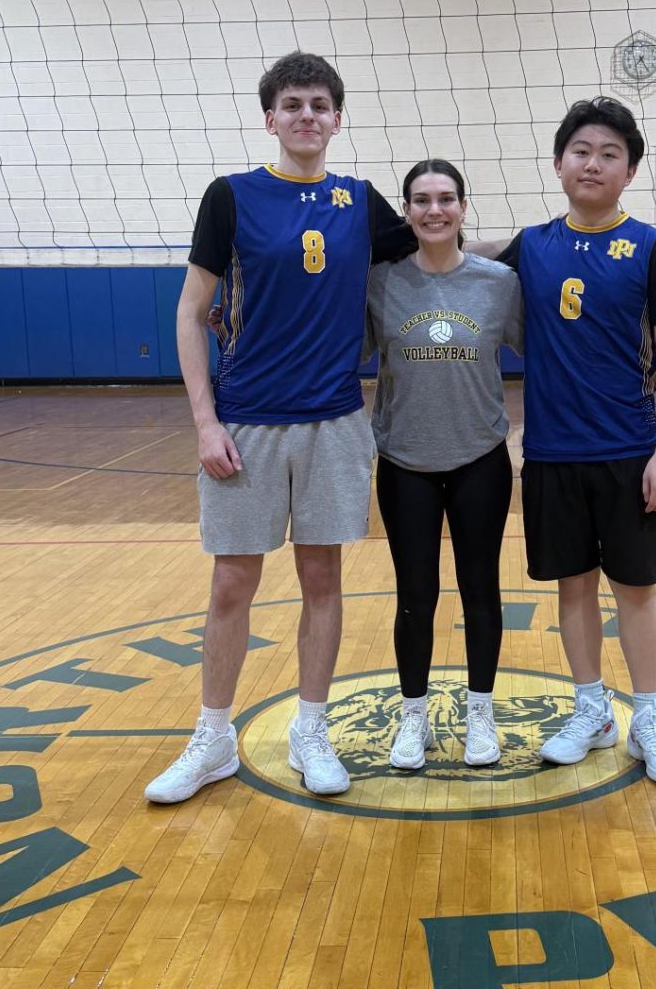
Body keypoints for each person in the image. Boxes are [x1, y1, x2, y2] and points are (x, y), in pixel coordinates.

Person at [145, 51, 414, 804]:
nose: (305, 115)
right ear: (270, 117)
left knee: (321, 577)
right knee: (232, 582)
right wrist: (205, 423)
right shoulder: (230, 197)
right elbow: (190, 313)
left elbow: (439, 250)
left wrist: (539, 244)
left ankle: (310, 728)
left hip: (333, 422)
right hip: (246, 422)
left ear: (336, 118)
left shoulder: (360, 202)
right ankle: (212, 737)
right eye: (291, 103)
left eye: (319, 103)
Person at [493, 96, 656, 785]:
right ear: (557, 164)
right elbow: (453, 268)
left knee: (635, 588)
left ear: (629, 171)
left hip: (629, 452)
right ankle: (591, 710)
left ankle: (649, 720)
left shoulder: (651, 249)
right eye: (581, 150)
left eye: (609, 153)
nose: (593, 163)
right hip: (551, 453)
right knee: (572, 589)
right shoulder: (531, 247)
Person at [366, 159, 523, 770]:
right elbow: (335, 345)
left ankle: (480, 713)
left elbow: (551, 345)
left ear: (462, 207)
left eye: (446, 199)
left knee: (481, 591)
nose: (435, 210)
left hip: (479, 458)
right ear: (406, 212)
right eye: (422, 200)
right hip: (404, 461)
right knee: (415, 595)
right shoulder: (379, 283)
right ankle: (413, 718)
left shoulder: (498, 283)